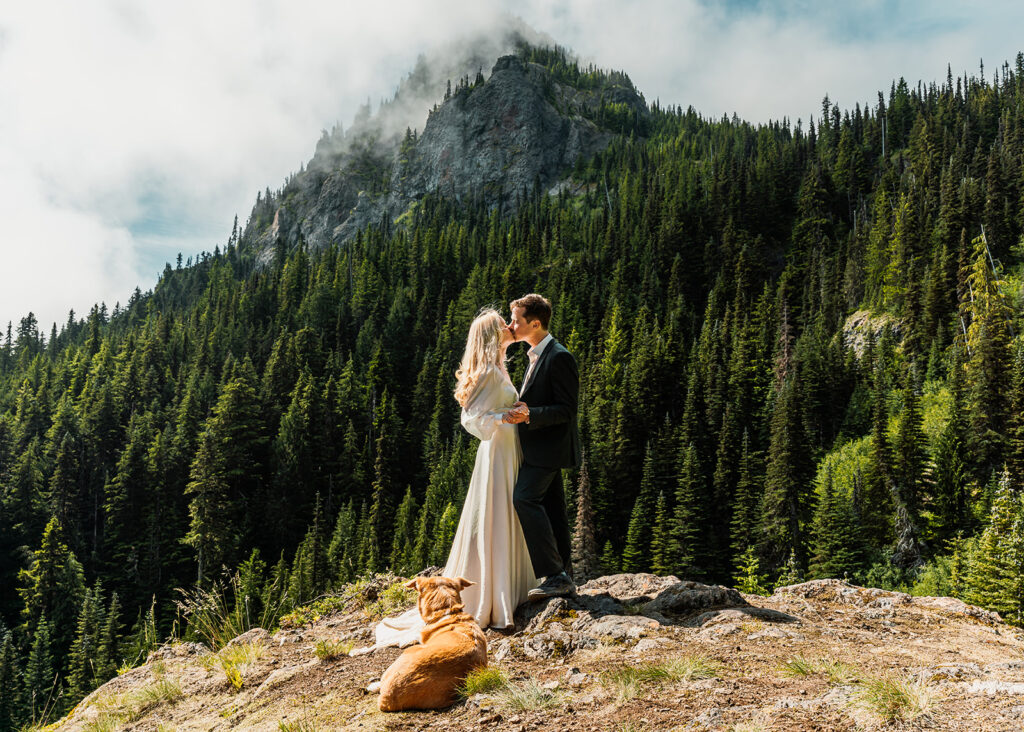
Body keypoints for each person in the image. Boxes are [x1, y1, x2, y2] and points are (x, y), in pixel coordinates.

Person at [369, 308, 536, 649]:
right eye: (502, 325)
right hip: (497, 450)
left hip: (506, 449)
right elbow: (470, 419)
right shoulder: (489, 371)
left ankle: (507, 589)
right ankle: (496, 594)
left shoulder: (496, 367)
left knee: (505, 515)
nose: (508, 326)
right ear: (491, 335)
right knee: (498, 515)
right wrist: (506, 416)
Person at [503, 294, 581, 600]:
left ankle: (555, 574)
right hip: (540, 447)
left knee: (524, 499)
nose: (511, 326)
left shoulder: (559, 356)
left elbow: (567, 410)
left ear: (535, 323)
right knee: (553, 509)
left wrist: (530, 414)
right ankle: (565, 576)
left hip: (549, 448)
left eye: (516, 321)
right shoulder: (537, 354)